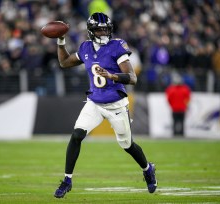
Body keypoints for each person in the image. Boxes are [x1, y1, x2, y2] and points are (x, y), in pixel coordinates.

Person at [53, 12, 157, 198]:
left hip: (116, 104)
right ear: (91, 31)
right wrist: (61, 40)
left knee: (127, 145)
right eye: (99, 29)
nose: (103, 32)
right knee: (77, 135)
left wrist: (112, 76)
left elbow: (132, 78)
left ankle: (148, 169)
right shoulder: (85, 47)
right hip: (94, 102)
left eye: (105, 29)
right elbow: (64, 62)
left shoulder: (116, 46)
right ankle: (67, 180)